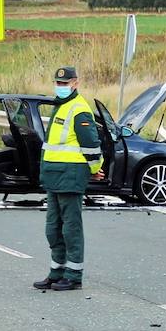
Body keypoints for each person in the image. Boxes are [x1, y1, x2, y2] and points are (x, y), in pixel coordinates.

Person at [33, 66, 102, 292]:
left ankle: (73, 275)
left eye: (65, 83)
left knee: (70, 228)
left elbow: (90, 143)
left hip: (71, 175)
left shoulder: (79, 109)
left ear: (75, 83)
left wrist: (95, 167)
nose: (61, 87)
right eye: (58, 83)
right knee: (53, 228)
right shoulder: (60, 106)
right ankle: (56, 272)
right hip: (54, 176)